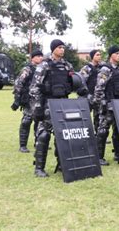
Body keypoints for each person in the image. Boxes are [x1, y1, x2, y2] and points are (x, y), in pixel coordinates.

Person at [30, 39, 77, 177]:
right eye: (59, 47)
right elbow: (34, 88)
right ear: (53, 49)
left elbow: (74, 83)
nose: (62, 50)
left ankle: (62, 164)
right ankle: (39, 168)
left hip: (63, 104)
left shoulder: (67, 66)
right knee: (44, 135)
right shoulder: (44, 65)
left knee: (63, 135)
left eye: (63, 47)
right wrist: (37, 107)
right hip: (47, 104)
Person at [93, 46, 119, 166]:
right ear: (111, 55)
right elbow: (99, 88)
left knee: (118, 130)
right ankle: (99, 157)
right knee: (103, 130)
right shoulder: (106, 69)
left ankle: (118, 154)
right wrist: (102, 103)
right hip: (108, 103)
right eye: (117, 53)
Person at [11, 49, 44, 152]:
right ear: (32, 58)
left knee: (39, 122)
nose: (40, 58)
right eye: (38, 56)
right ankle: (22, 145)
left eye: (41, 56)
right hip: (29, 99)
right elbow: (18, 83)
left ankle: (38, 142)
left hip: (40, 98)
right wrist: (17, 98)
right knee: (27, 121)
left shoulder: (43, 69)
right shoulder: (27, 69)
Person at [79, 49, 104, 133]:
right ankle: (84, 134)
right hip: (88, 96)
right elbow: (81, 81)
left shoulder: (102, 68)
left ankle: (98, 134)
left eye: (100, 55)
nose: (99, 56)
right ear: (92, 57)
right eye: (97, 55)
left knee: (98, 117)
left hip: (98, 96)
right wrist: (86, 94)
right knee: (84, 116)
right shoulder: (87, 68)